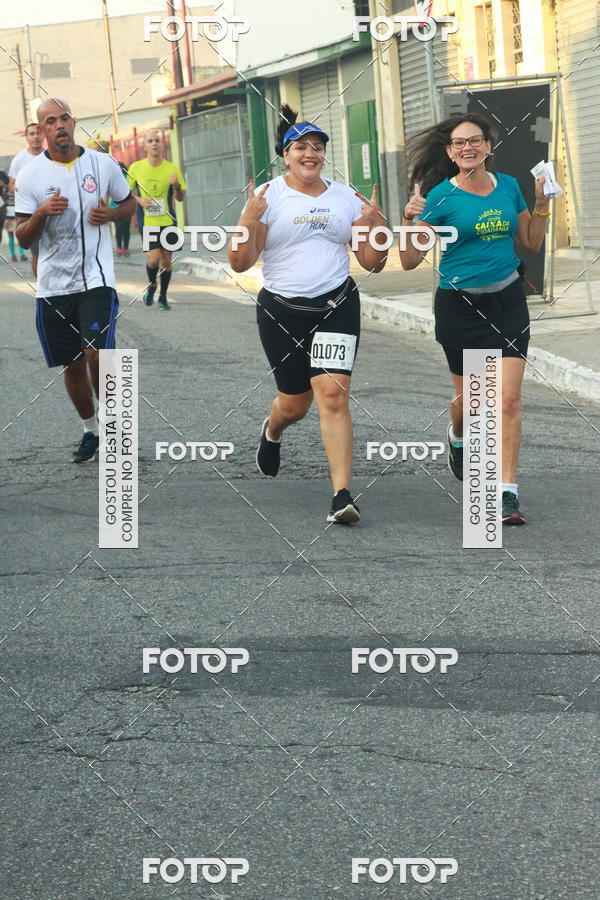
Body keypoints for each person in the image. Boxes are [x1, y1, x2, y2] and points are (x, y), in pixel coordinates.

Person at [228, 104, 388, 524]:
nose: (310, 154)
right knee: (294, 404)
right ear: (286, 154)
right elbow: (241, 263)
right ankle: (273, 429)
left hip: (336, 306)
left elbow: (372, 262)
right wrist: (247, 219)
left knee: (332, 396)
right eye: (300, 147)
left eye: (317, 147)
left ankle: (341, 495)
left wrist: (377, 225)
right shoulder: (267, 197)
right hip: (281, 311)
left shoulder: (345, 197)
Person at [399, 113, 551, 525]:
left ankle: (506, 495)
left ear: (488, 145)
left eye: (475, 141)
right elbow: (409, 261)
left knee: (507, 399)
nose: (468, 148)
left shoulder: (509, 186)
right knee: (472, 405)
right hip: (460, 307)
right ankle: (458, 435)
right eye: (459, 143)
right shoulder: (439, 198)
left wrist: (541, 203)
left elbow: (531, 241)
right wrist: (411, 218)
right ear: (450, 152)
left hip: (507, 301)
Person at [14, 97, 136, 463]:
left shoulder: (101, 164)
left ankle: (114, 428)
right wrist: (41, 213)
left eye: (65, 117)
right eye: (50, 121)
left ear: (73, 121)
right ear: (42, 130)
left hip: (96, 281)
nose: (59, 125)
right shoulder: (31, 175)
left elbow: (130, 204)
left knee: (97, 355)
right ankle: (91, 431)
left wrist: (112, 214)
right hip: (54, 285)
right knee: (73, 365)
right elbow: (22, 237)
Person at [126, 131, 186, 310]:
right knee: (153, 260)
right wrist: (139, 200)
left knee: (166, 261)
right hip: (148, 220)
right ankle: (152, 285)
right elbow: (127, 192)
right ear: (145, 146)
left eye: (157, 141)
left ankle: (163, 297)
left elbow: (181, 197)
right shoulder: (136, 168)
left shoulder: (172, 168)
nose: (154, 144)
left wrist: (176, 186)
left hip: (168, 221)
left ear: (162, 145)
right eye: (150, 141)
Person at [9, 122, 44, 274]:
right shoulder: (19, 160)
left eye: (38, 133)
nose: (36, 137)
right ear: (27, 137)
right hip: (32, 214)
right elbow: (11, 185)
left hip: (53, 211)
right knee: (37, 253)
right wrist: (25, 191)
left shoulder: (50, 155)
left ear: (43, 135)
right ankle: (41, 289)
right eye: (32, 134)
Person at [112, 161, 131, 256]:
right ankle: (119, 247)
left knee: (126, 229)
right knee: (118, 228)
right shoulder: (112, 178)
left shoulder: (128, 178)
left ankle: (126, 248)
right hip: (115, 207)